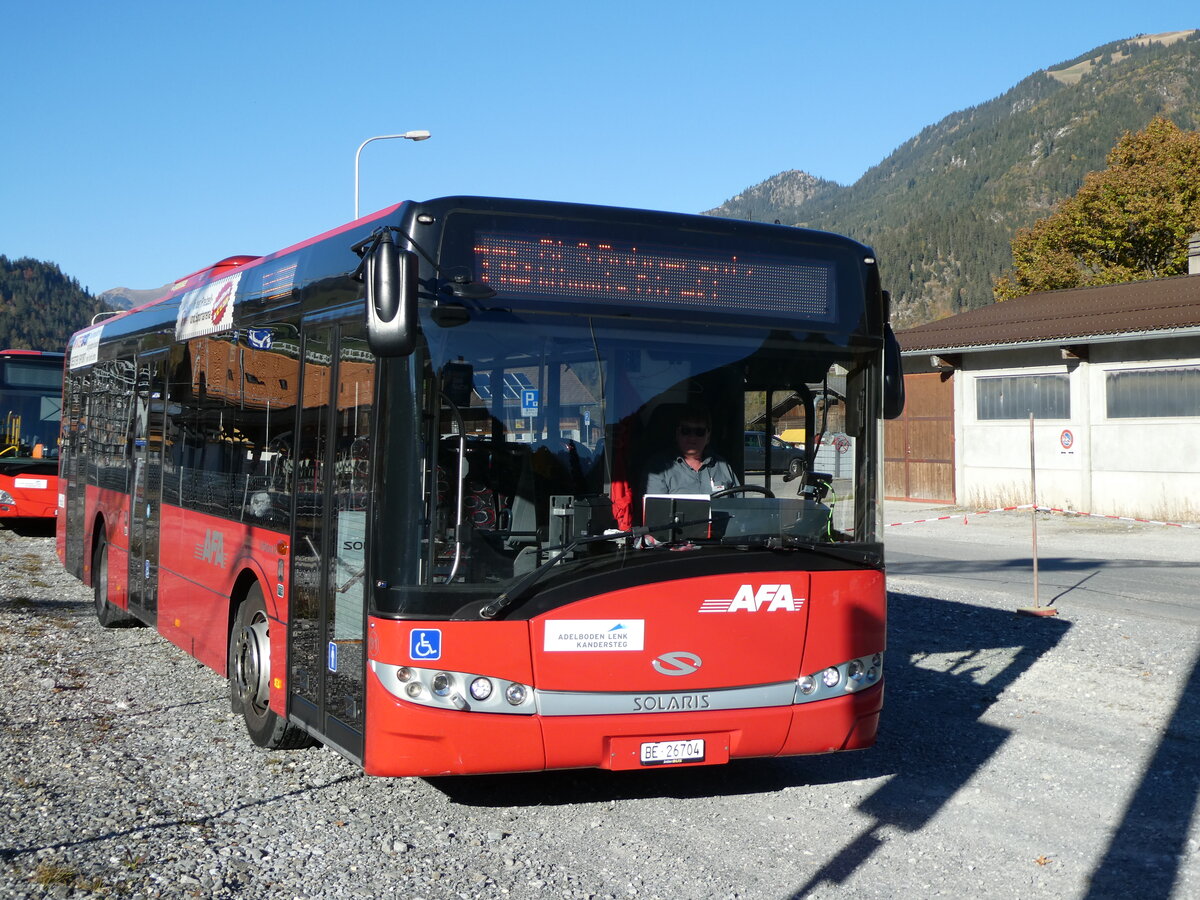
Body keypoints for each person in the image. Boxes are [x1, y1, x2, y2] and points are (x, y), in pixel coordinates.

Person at [643, 406, 738, 496]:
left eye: (699, 432)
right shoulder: (659, 468)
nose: (692, 437)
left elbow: (740, 505)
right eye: (686, 430)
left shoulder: (722, 466)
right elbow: (656, 509)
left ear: (708, 436)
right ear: (677, 433)